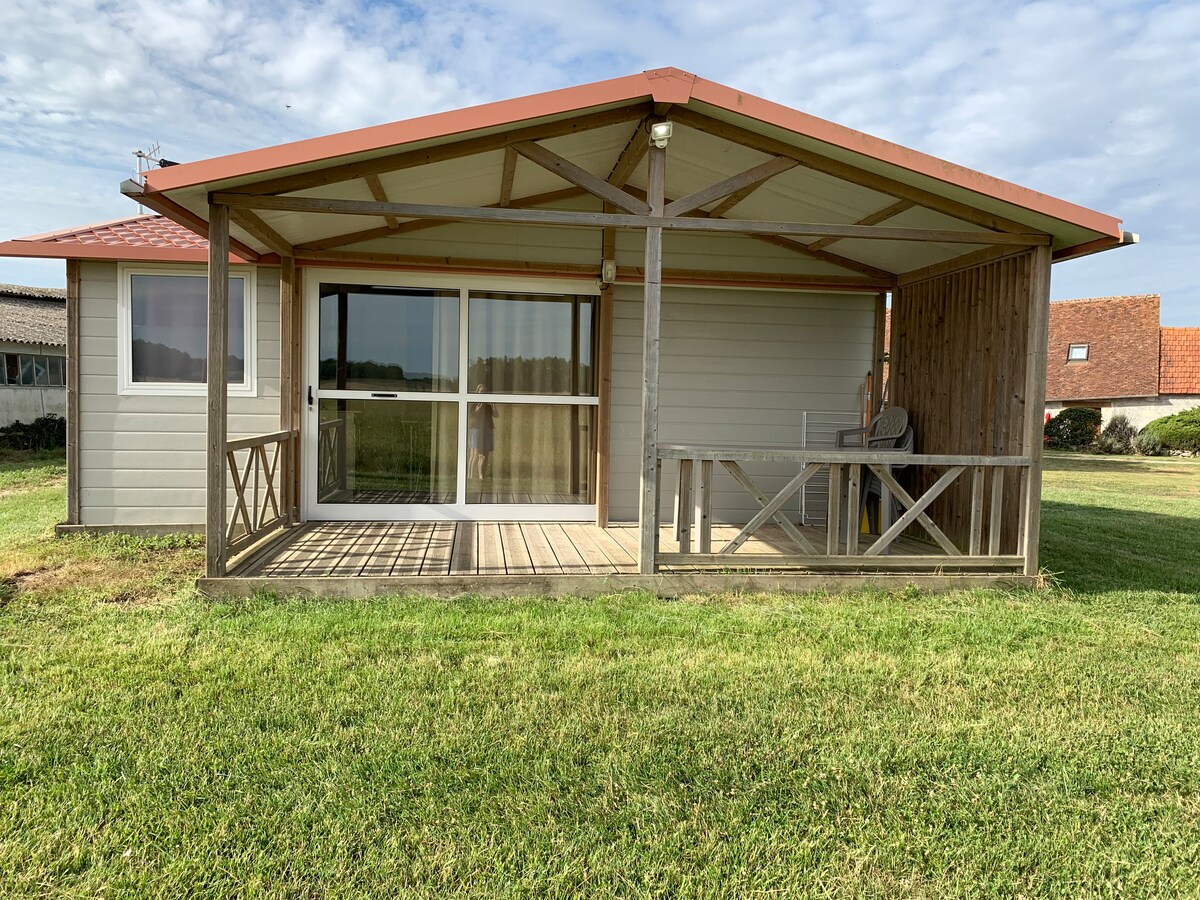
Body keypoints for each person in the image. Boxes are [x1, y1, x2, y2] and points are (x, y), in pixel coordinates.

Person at [468, 385, 498, 482]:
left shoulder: (488, 405)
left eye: (484, 391)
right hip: (476, 429)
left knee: (485, 454)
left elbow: (496, 415)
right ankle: (470, 475)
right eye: (481, 391)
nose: (483, 393)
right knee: (475, 453)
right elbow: (471, 415)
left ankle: (482, 475)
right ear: (477, 392)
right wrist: (477, 409)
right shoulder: (474, 403)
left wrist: (493, 405)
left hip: (487, 429)